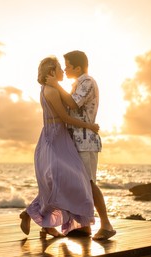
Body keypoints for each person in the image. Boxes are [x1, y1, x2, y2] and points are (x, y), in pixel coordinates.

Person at [19, 56, 97, 238]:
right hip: (55, 138)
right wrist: (90, 126)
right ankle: (36, 215)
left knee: (60, 184)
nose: (63, 71)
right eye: (59, 68)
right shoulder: (51, 91)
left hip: (57, 137)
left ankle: (38, 219)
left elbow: (69, 103)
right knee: (64, 182)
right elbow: (66, 116)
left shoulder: (50, 88)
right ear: (52, 72)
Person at [45, 50, 116, 240]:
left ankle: (107, 225)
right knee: (79, 184)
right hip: (75, 141)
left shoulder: (87, 82)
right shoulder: (77, 83)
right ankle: (84, 226)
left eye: (67, 65)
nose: (65, 69)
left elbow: (74, 104)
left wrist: (56, 86)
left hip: (86, 141)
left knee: (89, 183)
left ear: (78, 67)